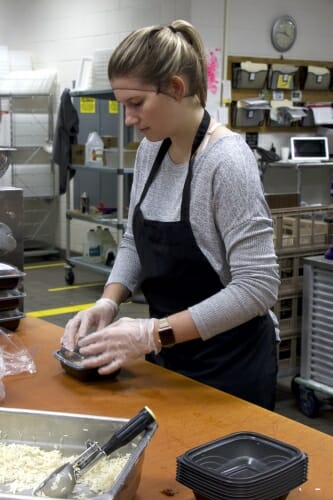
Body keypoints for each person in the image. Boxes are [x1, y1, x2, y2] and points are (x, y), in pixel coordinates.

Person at [62, 19, 280, 410]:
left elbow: (257, 287)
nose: (128, 118)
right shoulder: (151, 149)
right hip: (171, 359)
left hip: (231, 369)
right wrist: (108, 302)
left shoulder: (227, 162)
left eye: (136, 103)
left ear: (176, 88)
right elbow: (133, 240)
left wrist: (152, 333)